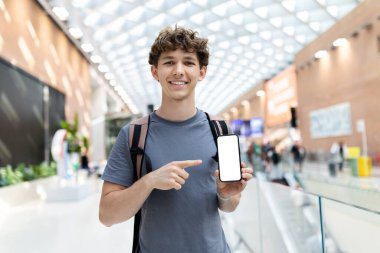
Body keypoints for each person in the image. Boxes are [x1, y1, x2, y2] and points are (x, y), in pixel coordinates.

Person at [99, 26, 253, 253]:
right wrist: (149, 181)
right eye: (169, 62)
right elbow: (106, 215)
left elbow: (229, 205)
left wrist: (225, 194)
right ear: (155, 72)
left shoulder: (220, 130)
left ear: (202, 72)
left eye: (189, 62)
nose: (178, 71)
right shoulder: (134, 135)